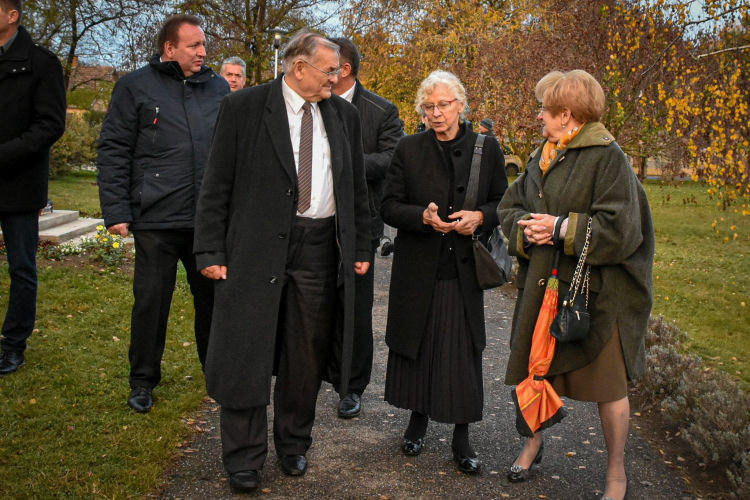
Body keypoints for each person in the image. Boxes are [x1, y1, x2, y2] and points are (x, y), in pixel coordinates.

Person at [193, 30, 371, 492]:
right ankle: (244, 457)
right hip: (253, 248)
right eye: (329, 70)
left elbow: (355, 190)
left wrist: (362, 247)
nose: (337, 77)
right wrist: (209, 250)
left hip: (318, 247)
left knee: (305, 352)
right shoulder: (244, 108)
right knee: (246, 349)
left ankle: (294, 444)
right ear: (299, 67)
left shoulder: (344, 117)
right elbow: (216, 186)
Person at [497, 70, 654, 500]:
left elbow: (623, 229)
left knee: (609, 388)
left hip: (596, 297)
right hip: (543, 291)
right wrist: (525, 231)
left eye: (544, 110)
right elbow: (509, 206)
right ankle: (532, 445)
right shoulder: (543, 153)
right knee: (535, 373)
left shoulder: (607, 157)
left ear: (566, 114)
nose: (538, 116)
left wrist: (563, 227)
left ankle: (616, 474)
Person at [97, 14, 230, 413]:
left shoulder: (219, 88)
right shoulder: (134, 86)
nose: (203, 52)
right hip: (155, 218)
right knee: (151, 302)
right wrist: (117, 209)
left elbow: (231, 152)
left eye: (204, 45)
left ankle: (217, 376)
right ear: (169, 48)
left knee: (213, 303)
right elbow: (114, 149)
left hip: (206, 222)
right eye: (194, 45)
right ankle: (142, 381)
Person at [380, 70, 508, 473]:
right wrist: (423, 216)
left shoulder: (486, 149)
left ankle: (461, 436)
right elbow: (388, 206)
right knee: (417, 344)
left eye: (444, 105)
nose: (436, 113)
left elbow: (502, 201)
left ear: (460, 105)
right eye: (429, 106)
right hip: (418, 267)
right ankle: (416, 420)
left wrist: (479, 217)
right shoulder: (409, 147)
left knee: (459, 352)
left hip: (461, 269)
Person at [327, 36, 403, 419]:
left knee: (356, 307)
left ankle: (351, 387)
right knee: (311, 303)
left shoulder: (381, 110)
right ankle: (312, 375)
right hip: (312, 223)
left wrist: (343, 162)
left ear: (344, 69)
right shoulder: (311, 101)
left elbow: (392, 159)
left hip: (361, 223)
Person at [0, 0, 66, 376]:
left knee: (21, 268)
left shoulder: (42, 63)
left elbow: (50, 125)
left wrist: (5, 155)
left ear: (13, 15)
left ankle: (13, 344)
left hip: (19, 185)